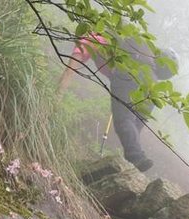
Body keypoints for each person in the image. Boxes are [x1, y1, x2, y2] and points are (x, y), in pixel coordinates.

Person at [57, 35, 158, 172]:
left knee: (124, 119)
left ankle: (136, 158)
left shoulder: (87, 41)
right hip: (150, 80)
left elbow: (69, 71)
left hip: (127, 76)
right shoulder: (114, 40)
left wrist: (57, 98)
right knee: (134, 125)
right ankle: (135, 160)